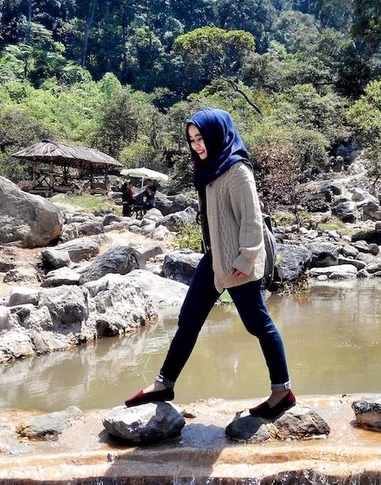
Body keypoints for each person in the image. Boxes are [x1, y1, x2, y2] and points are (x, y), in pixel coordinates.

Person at [123, 108, 295, 419]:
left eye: (201, 138)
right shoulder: (209, 169)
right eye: (191, 140)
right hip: (214, 259)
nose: (197, 145)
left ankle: (282, 391)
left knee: (258, 324)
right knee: (188, 319)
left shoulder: (237, 170)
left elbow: (252, 219)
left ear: (217, 135)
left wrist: (246, 257)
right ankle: (164, 384)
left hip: (237, 264)